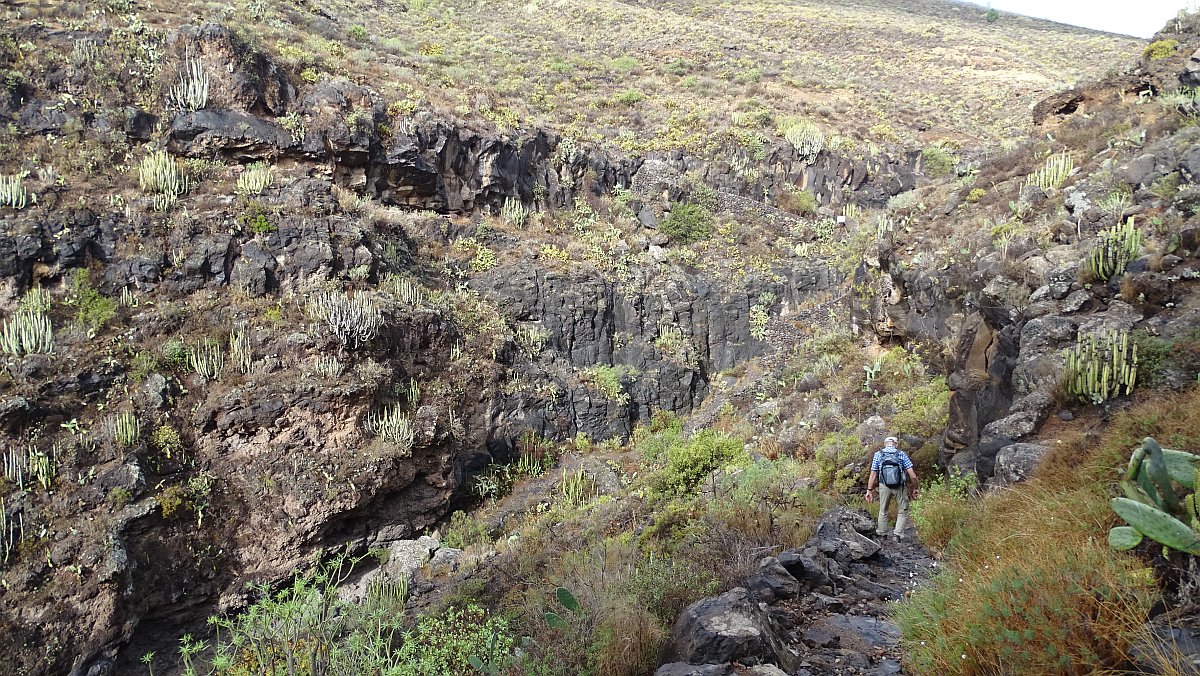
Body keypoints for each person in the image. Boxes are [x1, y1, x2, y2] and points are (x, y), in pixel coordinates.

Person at [864, 436, 919, 541]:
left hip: (884, 485)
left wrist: (869, 490)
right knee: (903, 510)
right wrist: (916, 488)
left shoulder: (878, 454)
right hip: (899, 486)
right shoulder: (901, 454)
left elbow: (873, 474)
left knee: (883, 510)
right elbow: (912, 475)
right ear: (896, 444)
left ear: (885, 444)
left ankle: (882, 534)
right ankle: (897, 535)